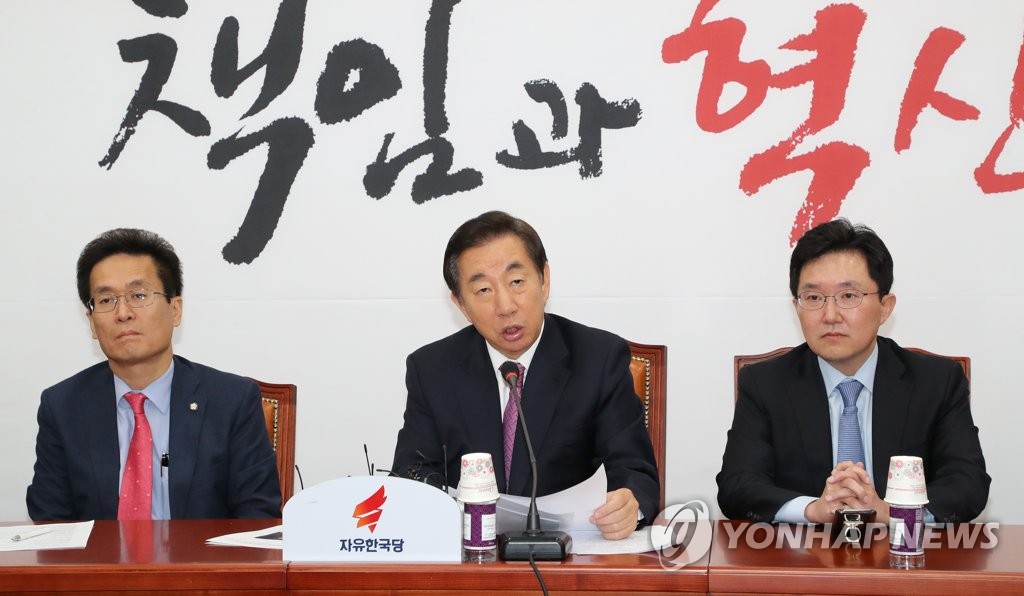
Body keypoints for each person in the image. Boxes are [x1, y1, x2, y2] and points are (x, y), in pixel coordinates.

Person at [391, 211, 659, 539]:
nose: (506, 306)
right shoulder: (432, 370)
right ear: (460, 304)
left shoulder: (598, 358)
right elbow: (412, 474)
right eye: (484, 290)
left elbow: (634, 471)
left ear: (544, 280)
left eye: (517, 282)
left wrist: (628, 505)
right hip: (472, 555)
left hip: (570, 556)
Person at [717, 219, 989, 525]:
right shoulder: (765, 384)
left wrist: (890, 513)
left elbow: (968, 485)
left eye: (848, 296)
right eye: (814, 298)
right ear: (797, 307)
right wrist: (813, 510)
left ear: (885, 307)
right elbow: (737, 486)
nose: (830, 315)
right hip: (802, 552)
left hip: (902, 549)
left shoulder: (936, 382)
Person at [27, 228, 281, 520]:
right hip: (100, 553)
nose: (123, 313)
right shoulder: (63, 407)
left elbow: (257, 517)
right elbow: (50, 521)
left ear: (175, 310)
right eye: (106, 300)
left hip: (199, 552)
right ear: (92, 323)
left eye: (138, 295)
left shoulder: (232, 401)